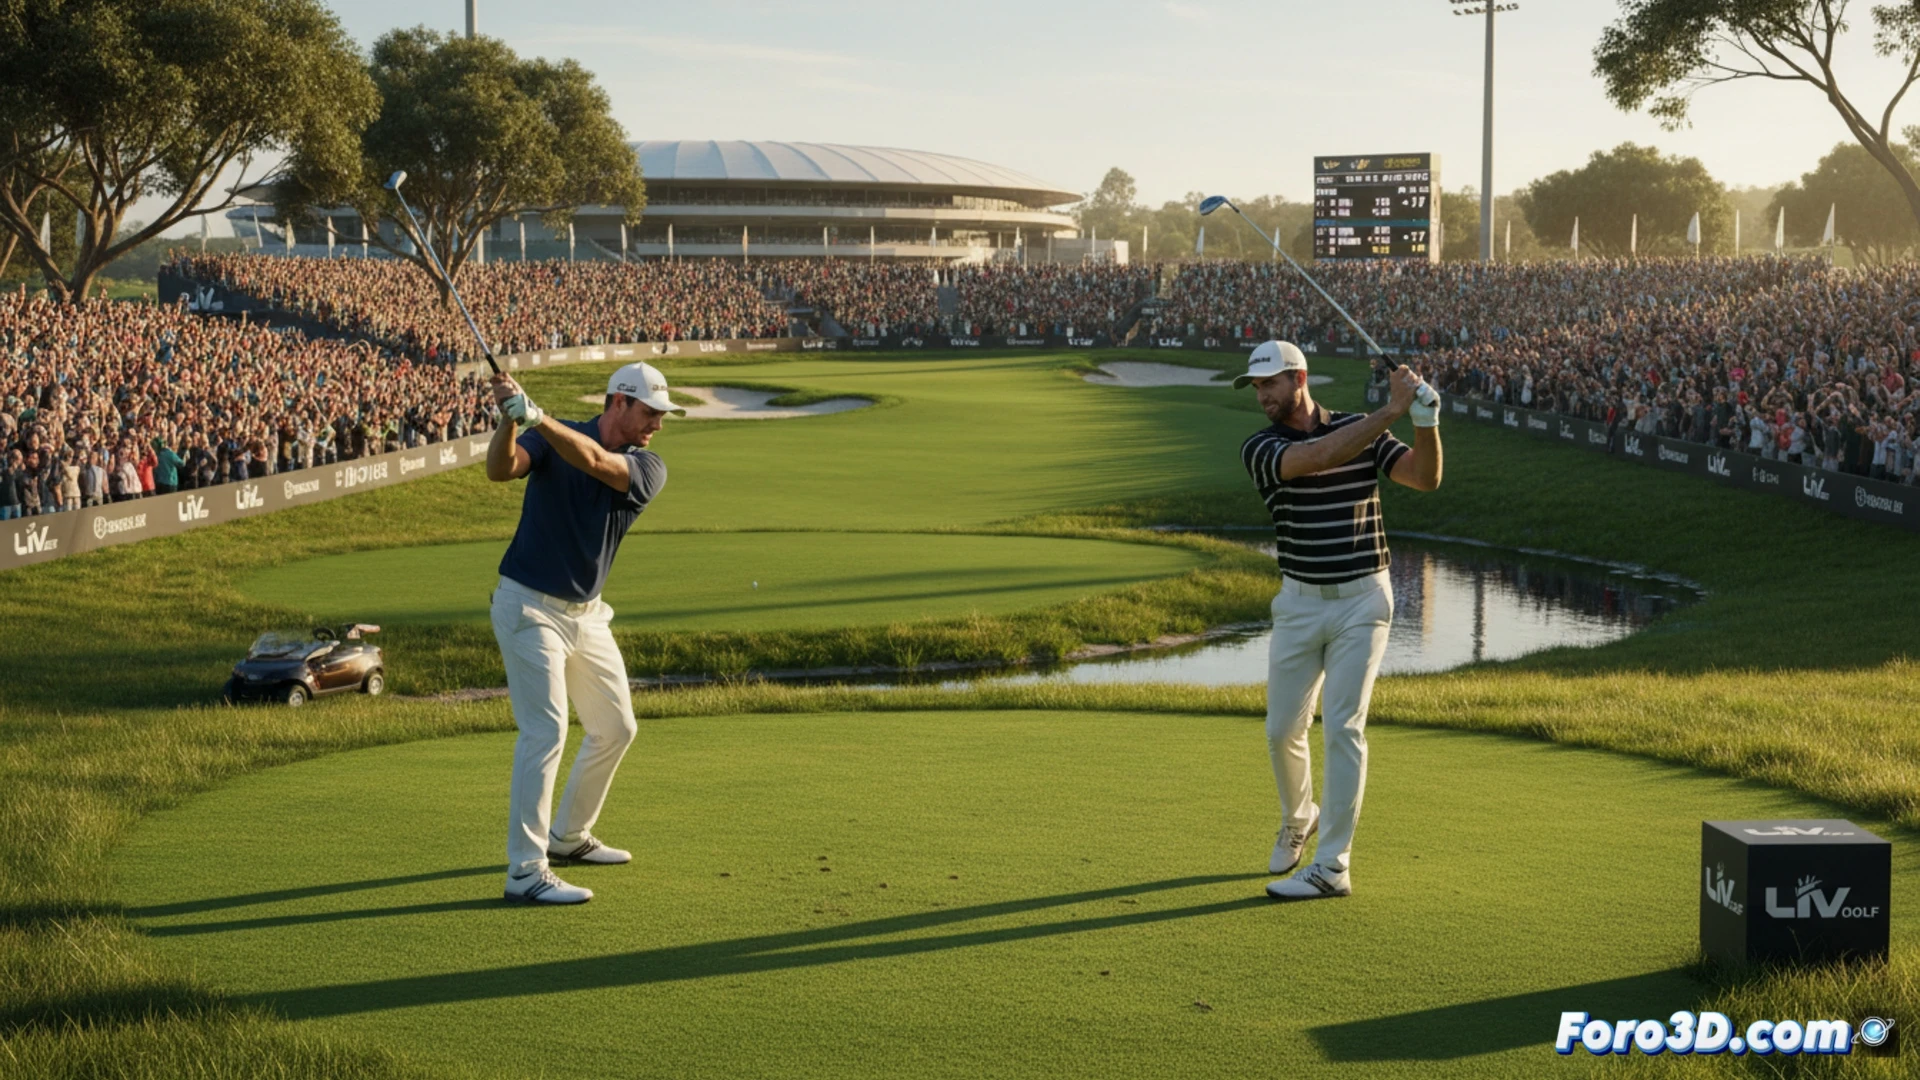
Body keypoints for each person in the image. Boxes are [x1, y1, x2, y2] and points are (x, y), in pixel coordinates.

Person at [1235, 341, 1442, 902]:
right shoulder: (1261, 447)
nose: (1262, 394)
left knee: (1344, 725)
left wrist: (1426, 422)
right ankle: (1299, 816)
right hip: (1299, 602)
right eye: (1256, 386)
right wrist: (1393, 410)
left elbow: (1424, 478)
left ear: (1299, 378)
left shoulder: (1360, 428)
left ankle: (1332, 865)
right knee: (1282, 729)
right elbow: (1317, 458)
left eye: (1270, 383)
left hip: (1363, 601)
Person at [483, 361, 684, 905]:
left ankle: (568, 837)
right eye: (650, 412)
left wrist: (537, 416)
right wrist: (509, 420)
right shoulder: (553, 436)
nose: (658, 424)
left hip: (587, 615)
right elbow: (501, 471)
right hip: (528, 605)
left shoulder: (647, 466)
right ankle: (526, 870)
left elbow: (595, 461)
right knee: (545, 732)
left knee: (616, 727)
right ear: (619, 401)